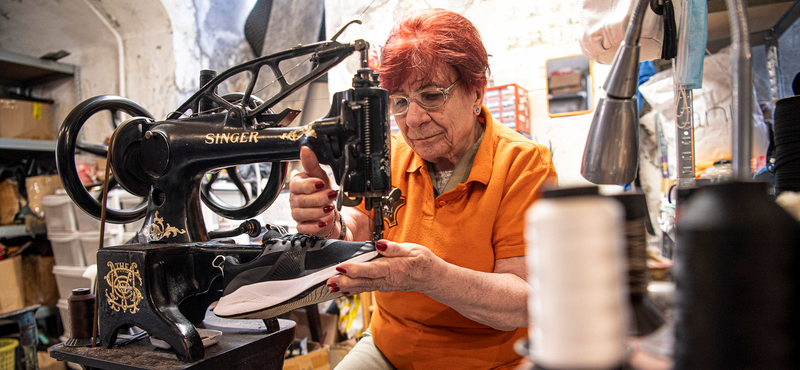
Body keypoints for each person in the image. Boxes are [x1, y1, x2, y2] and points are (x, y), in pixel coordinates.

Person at [289, 8, 557, 370]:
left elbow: (524, 303)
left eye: (431, 96)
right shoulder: (392, 154)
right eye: (399, 102)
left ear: (476, 91)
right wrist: (327, 221)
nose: (413, 120)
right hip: (389, 345)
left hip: (484, 361)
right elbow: (357, 225)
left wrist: (431, 277)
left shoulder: (523, 165)